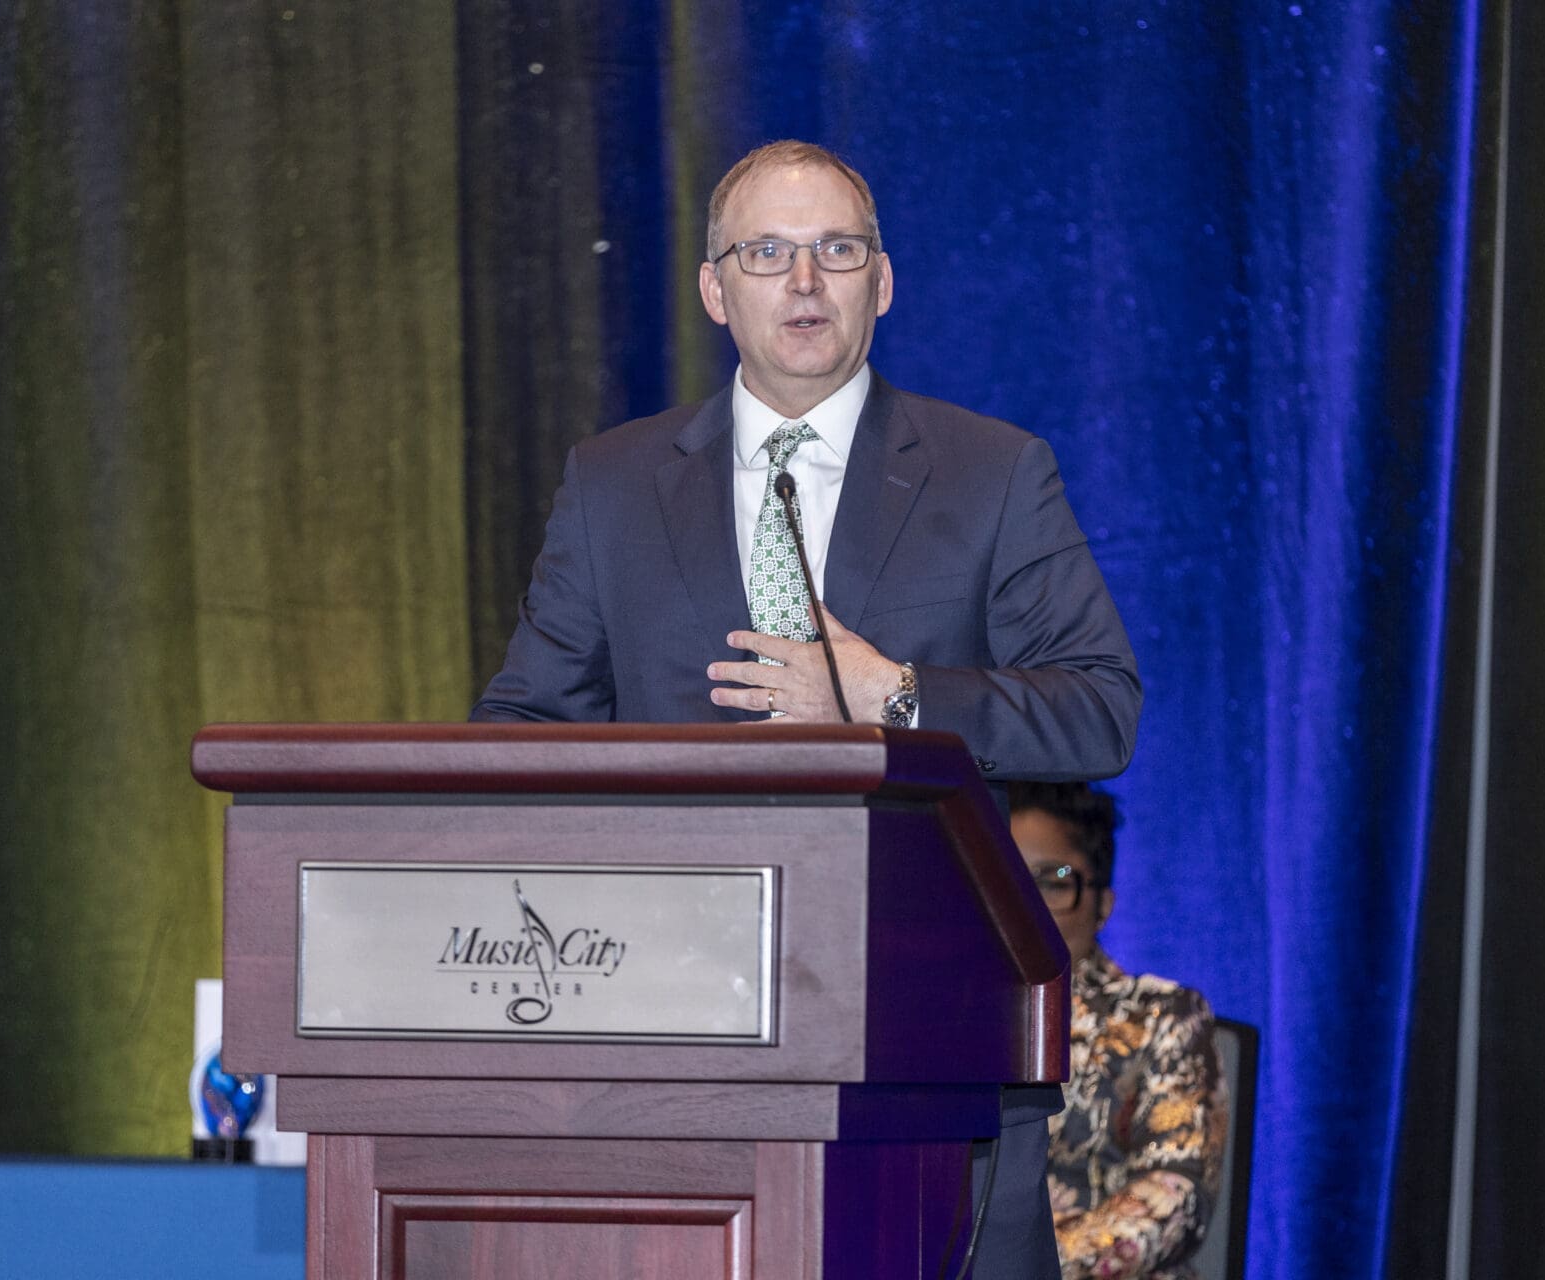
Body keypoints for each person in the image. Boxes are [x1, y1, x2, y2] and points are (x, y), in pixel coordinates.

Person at [473, 139, 1143, 1279]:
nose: (802, 280)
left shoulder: (992, 473)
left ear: (882, 282)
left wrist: (897, 695)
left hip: (925, 1040)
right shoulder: (613, 485)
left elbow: (1100, 708)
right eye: (766, 252)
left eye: (836, 250)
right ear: (713, 289)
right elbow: (521, 734)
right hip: (666, 1035)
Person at [1009, 781, 1228, 1280]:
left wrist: (1019, 1267)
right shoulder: (937, 1014)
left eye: (1053, 880)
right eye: (1006, 879)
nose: (1024, 904)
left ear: (1103, 904)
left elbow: (1175, 1197)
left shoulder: (1161, 1015)